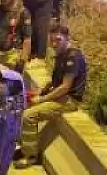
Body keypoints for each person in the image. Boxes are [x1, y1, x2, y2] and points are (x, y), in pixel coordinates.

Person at [16, 24, 88, 166]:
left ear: (67, 38)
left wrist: (42, 99)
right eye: (52, 41)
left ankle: (30, 156)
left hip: (68, 100)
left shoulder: (72, 57)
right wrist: (40, 92)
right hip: (59, 96)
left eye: (58, 40)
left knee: (28, 116)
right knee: (21, 105)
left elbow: (65, 87)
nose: (54, 44)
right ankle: (24, 146)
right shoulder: (61, 54)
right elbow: (55, 82)